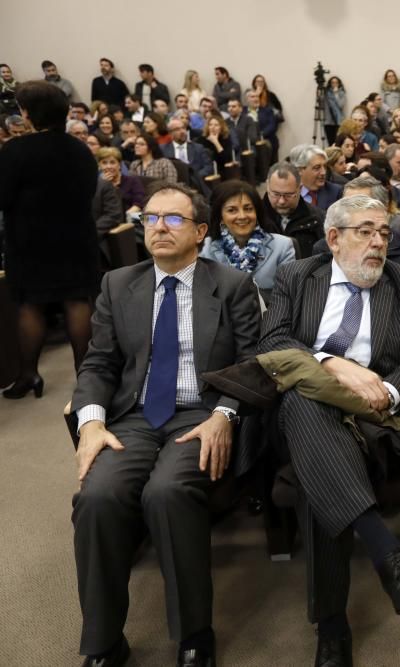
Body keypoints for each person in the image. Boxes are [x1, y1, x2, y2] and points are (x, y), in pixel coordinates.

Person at [71, 181, 259, 667]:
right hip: (133, 416)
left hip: (200, 414)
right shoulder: (119, 284)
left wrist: (225, 414)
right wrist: (90, 422)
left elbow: (252, 362)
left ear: (200, 231)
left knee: (168, 493)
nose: (158, 227)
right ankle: (103, 640)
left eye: (173, 219)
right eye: (151, 218)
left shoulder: (232, 285)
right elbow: (98, 364)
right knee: (97, 496)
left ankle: (194, 633)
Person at [259, 194, 400, 666]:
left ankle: (333, 628)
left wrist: (386, 392)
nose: (378, 242)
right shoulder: (299, 276)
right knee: (305, 401)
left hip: (373, 420)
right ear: (333, 239)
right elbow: (274, 340)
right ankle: (388, 557)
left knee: (314, 476)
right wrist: (335, 365)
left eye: (384, 233)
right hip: (300, 412)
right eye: (366, 231)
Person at [0, 82, 98, 398]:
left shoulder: (15, 150)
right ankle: (87, 377)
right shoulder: (80, 149)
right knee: (77, 301)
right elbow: (89, 192)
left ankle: (29, 374)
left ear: (28, 113)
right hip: (75, 237)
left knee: (31, 305)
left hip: (30, 242)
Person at [199, 179, 295, 304]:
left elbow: (287, 298)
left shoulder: (282, 247)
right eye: (232, 210)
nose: (242, 216)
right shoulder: (204, 249)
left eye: (248, 208)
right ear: (220, 216)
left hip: (270, 319)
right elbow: (204, 299)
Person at [261, 161, 325, 258]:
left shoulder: (317, 219)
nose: (281, 201)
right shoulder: (255, 218)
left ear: (300, 189)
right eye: (276, 194)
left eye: (288, 195)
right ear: (267, 186)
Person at [290, 143, 344, 212]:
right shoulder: (288, 192)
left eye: (324, 166)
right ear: (300, 170)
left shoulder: (336, 192)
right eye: (317, 168)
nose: (323, 172)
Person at [97, 146, 145, 214]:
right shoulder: (96, 184)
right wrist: (104, 184)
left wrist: (126, 216)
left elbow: (139, 202)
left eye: (112, 162)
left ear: (119, 165)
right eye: (104, 163)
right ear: (99, 165)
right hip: (103, 219)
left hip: (128, 217)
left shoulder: (132, 181)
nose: (109, 166)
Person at [324, 76, 347, 146]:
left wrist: (336, 94)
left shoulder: (342, 93)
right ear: (330, 84)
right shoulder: (326, 93)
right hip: (328, 121)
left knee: (339, 142)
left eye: (336, 82)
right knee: (330, 143)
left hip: (339, 121)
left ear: (339, 84)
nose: (334, 84)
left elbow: (341, 105)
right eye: (332, 83)